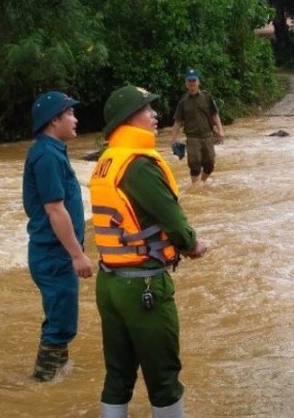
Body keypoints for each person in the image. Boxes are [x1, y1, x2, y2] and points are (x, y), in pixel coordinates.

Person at [89, 85, 208, 418]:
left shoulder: (107, 161)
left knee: (118, 374)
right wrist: (192, 244)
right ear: (128, 118)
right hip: (143, 287)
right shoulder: (139, 165)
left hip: (110, 282)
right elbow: (173, 219)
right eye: (147, 110)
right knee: (164, 378)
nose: (155, 115)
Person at [22, 91, 94, 382]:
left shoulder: (51, 151)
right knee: (61, 324)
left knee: (60, 319)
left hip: (54, 253)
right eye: (70, 115)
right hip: (53, 254)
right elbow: (54, 209)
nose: (76, 120)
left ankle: (56, 380)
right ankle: (42, 383)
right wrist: (77, 254)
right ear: (54, 120)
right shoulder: (47, 155)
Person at [171, 69, 225, 183]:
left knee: (210, 164)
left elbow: (215, 114)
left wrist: (221, 130)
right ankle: (195, 187)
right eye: (189, 81)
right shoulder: (183, 101)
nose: (192, 83)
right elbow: (178, 121)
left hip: (208, 135)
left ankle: (203, 182)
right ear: (186, 83)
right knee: (194, 165)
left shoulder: (207, 97)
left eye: (194, 80)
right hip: (192, 137)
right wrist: (173, 139)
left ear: (198, 81)